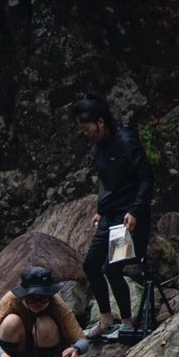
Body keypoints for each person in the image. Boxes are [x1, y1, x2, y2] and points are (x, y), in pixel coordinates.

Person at [73, 94, 153, 341]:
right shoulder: (99, 146)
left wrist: (136, 210)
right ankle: (106, 319)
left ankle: (127, 323)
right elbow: (106, 182)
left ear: (101, 122)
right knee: (90, 265)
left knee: (113, 267)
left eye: (87, 129)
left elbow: (147, 178)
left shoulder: (126, 141)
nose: (85, 134)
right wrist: (99, 208)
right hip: (109, 215)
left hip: (127, 216)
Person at [0, 266, 90, 357]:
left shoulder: (56, 303)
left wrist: (76, 349)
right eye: (32, 299)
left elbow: (82, 341)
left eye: (43, 298)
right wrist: (1, 354)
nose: (37, 304)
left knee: (45, 323)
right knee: (11, 321)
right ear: (23, 295)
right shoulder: (11, 300)